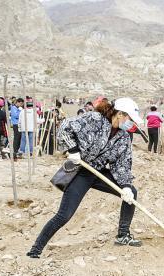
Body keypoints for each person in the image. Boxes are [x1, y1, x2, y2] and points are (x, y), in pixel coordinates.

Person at [26, 98, 144, 258]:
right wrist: (73, 149)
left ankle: (123, 235)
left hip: (99, 172)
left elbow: (122, 163)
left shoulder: (123, 138)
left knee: (132, 194)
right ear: (121, 114)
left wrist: (126, 186)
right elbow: (65, 128)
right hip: (81, 171)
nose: (131, 124)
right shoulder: (95, 120)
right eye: (130, 119)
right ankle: (35, 250)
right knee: (64, 215)